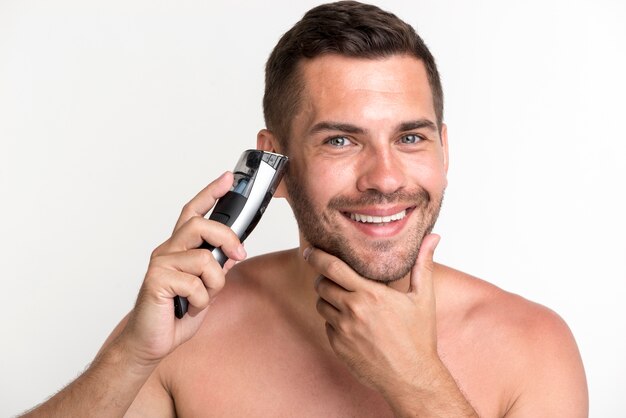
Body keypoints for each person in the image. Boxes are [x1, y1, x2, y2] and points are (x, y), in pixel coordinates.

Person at [22, 1, 588, 417]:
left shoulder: (532, 346)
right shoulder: (189, 329)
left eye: (411, 138)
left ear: (445, 149)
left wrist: (417, 383)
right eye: (340, 141)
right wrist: (131, 357)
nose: (385, 178)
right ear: (278, 166)